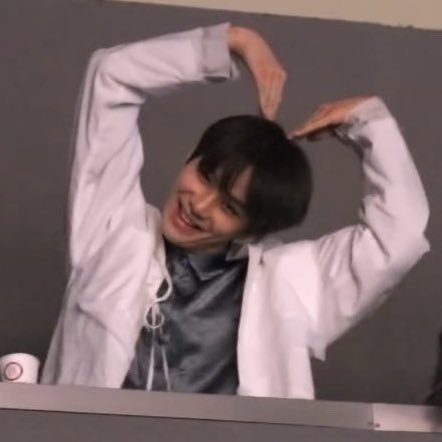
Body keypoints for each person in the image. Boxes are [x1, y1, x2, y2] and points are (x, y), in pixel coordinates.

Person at [41, 23, 429, 399]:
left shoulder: (292, 283)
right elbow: (112, 76)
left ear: (252, 229)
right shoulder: (113, 230)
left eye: (228, 206)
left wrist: (369, 122)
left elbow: (398, 238)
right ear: (192, 156)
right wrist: (233, 41)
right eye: (205, 176)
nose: (199, 205)